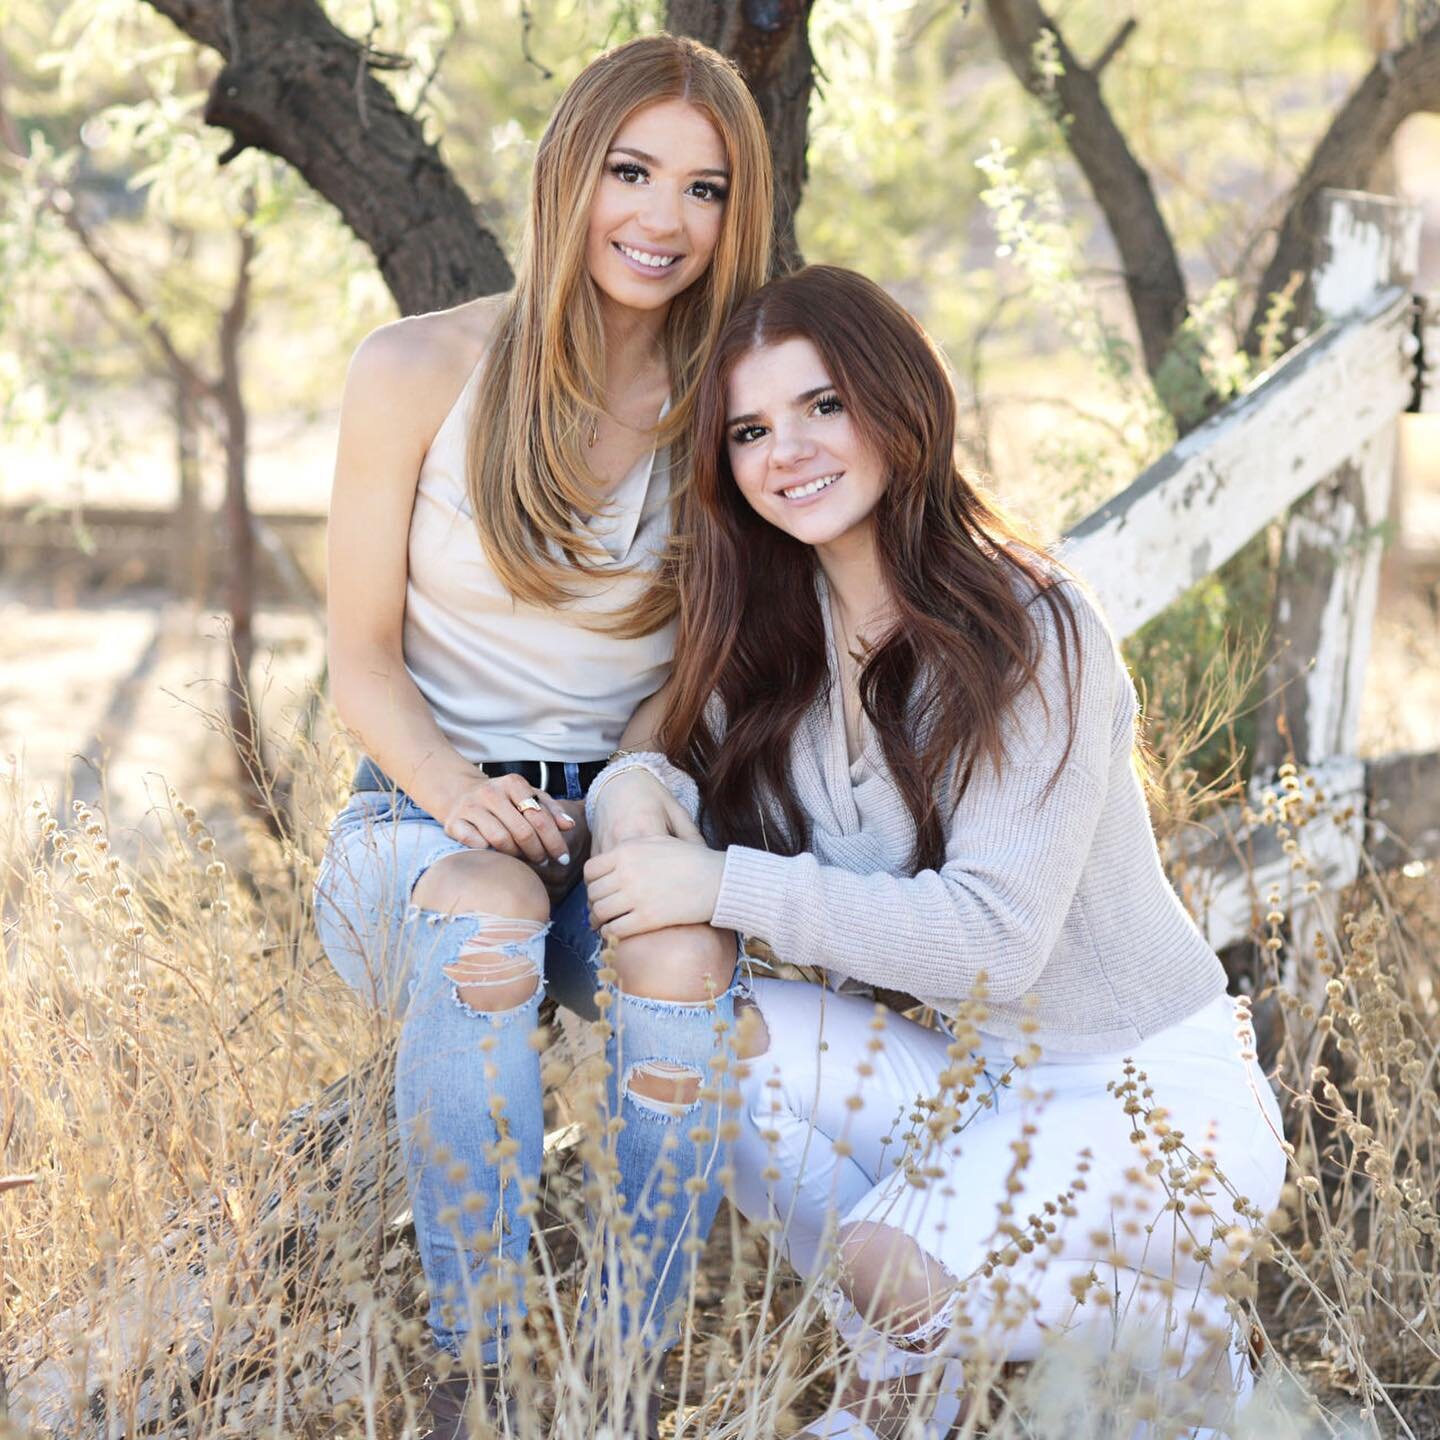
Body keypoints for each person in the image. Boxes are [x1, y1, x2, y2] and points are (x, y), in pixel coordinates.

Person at [582, 266, 1288, 1438]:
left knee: (883, 1256)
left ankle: (1186, 1342)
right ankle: (917, 1372)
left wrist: (715, 880)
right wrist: (624, 802)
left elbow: (994, 943)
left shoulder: (1033, 629)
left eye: (822, 406)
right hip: (970, 1087)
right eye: (750, 430)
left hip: (1157, 1099)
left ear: (897, 400)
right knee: (714, 1041)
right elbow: (657, 749)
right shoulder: (784, 638)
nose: (788, 452)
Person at [312, 35, 772, 1437]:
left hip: (628, 808)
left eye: (703, 189)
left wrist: (638, 790)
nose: (662, 219)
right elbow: (360, 666)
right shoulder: (416, 369)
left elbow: (701, 659)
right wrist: (463, 796)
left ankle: (628, 1377)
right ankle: (484, 1372)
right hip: (418, 821)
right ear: (570, 174)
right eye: (631, 172)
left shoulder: (730, 409)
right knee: (491, 922)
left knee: (685, 950)